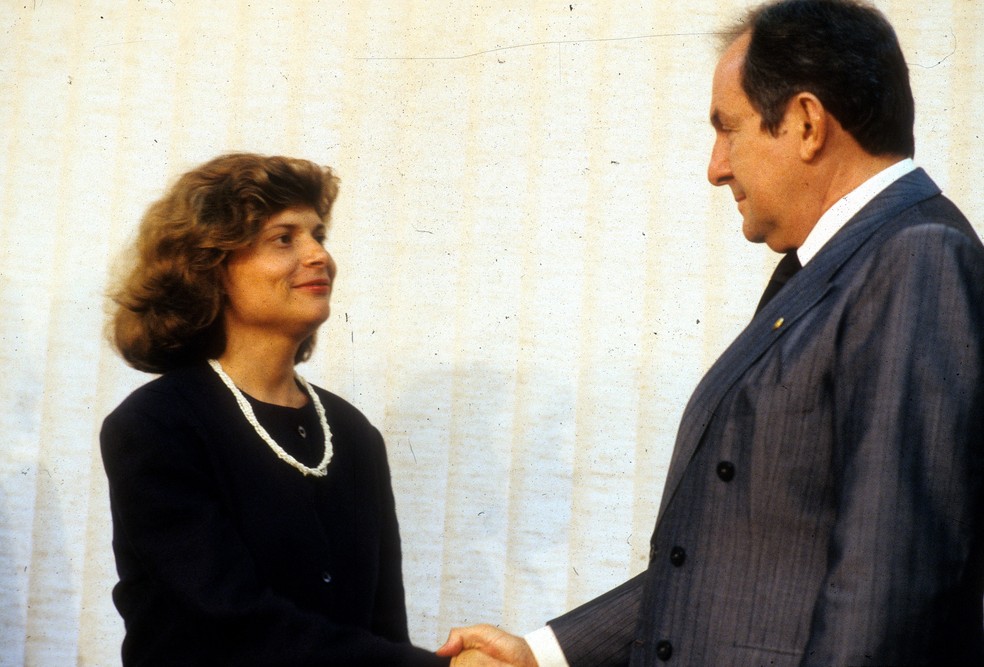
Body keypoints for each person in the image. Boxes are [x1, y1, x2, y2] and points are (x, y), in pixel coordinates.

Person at [438, 0, 984, 665]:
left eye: (729, 129)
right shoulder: (827, 268)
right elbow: (721, 561)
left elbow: (888, 584)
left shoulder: (916, 256)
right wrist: (544, 653)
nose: (716, 166)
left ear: (808, 123)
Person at [101, 153, 450, 666]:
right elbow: (235, 623)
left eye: (319, 236)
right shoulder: (157, 424)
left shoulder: (353, 433)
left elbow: (384, 632)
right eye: (284, 238)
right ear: (210, 269)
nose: (318, 256)